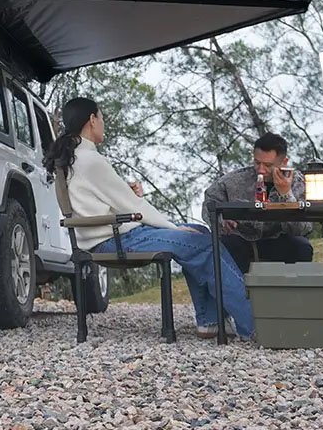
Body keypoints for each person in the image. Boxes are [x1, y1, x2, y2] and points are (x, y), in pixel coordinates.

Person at [44, 97, 254, 340]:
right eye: (101, 118)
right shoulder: (91, 160)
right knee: (202, 243)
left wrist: (128, 194)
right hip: (115, 239)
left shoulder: (74, 157)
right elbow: (136, 206)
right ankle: (255, 324)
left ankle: (210, 322)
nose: (103, 123)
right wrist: (173, 228)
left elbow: (100, 201)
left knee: (200, 232)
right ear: (92, 119)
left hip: (108, 235)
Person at [201, 132, 314, 274]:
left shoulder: (298, 183)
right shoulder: (233, 181)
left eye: (268, 165)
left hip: (279, 238)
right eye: (257, 162)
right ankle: (237, 288)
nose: (261, 169)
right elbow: (209, 204)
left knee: (302, 247)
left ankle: (294, 287)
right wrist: (222, 220)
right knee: (226, 246)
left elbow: (303, 229)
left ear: (283, 162)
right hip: (242, 238)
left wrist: (286, 194)